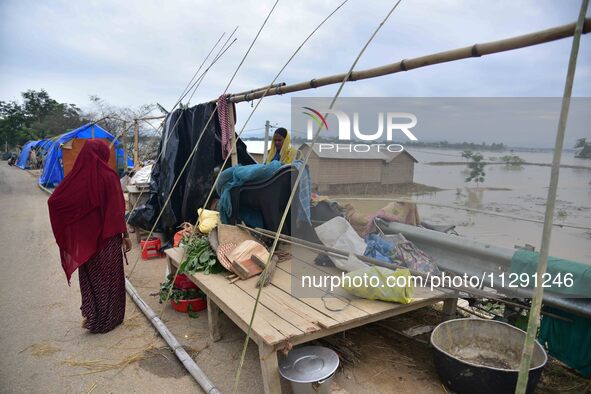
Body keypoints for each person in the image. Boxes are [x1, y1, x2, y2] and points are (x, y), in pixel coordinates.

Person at [48, 140, 131, 334]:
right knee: (109, 279)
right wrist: (125, 236)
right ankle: (108, 320)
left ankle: (92, 318)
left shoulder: (76, 178)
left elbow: (54, 201)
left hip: (87, 242)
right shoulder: (109, 177)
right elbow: (117, 211)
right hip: (107, 240)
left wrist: (76, 227)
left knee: (91, 279)